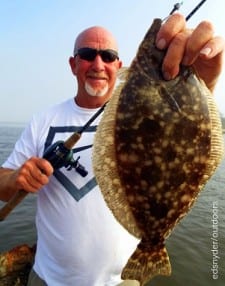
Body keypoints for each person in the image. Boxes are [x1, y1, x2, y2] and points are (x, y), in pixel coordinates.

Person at [0, 13, 224, 286]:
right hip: (48, 278)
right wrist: (14, 179)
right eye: (87, 54)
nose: (98, 63)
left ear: (120, 66)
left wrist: (203, 85)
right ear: (73, 64)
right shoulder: (43, 120)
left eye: (107, 56)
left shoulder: (139, 109)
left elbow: (190, 133)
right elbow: (3, 185)